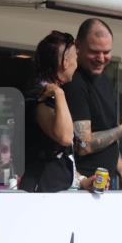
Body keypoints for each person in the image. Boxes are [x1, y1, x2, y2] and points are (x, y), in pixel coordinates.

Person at [63, 18, 122, 202]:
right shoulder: (75, 83)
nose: (101, 58)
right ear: (78, 46)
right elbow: (83, 145)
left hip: (101, 188)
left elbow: (108, 138)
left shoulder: (103, 79)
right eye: (94, 52)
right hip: (80, 190)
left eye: (106, 52)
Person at [19, 31, 94, 193]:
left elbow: (61, 155)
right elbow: (65, 137)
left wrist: (82, 181)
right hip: (40, 194)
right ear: (65, 62)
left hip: (54, 191)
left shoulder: (51, 93)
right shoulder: (40, 96)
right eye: (75, 57)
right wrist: (59, 94)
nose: (77, 63)